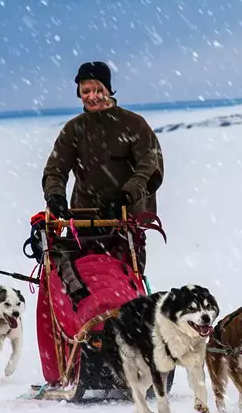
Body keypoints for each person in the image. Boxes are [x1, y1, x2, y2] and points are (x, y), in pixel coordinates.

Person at [41, 61, 163, 297]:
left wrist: (126, 195)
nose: (92, 96)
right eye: (86, 91)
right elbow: (55, 169)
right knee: (82, 290)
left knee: (123, 289)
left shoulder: (133, 124)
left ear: (109, 90)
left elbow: (150, 166)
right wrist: (55, 195)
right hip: (83, 224)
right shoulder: (73, 130)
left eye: (98, 90)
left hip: (124, 223)